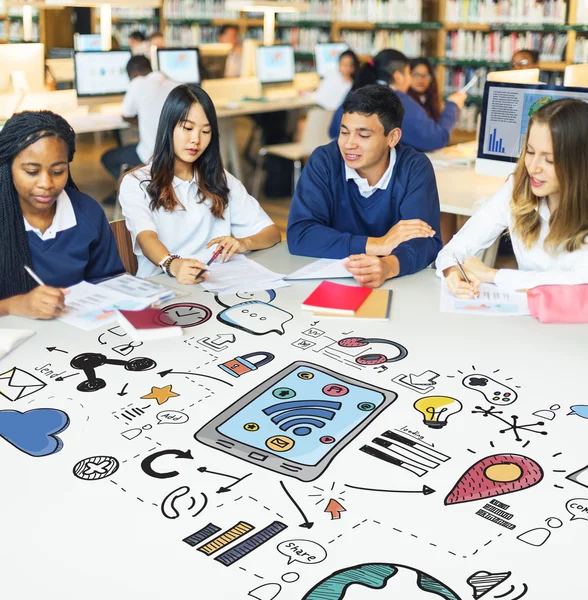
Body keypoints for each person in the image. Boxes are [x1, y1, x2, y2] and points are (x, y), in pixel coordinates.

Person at [118, 85, 281, 281]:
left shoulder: (220, 178)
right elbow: (146, 237)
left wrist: (243, 243)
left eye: (205, 131)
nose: (196, 139)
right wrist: (174, 265)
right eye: (187, 128)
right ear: (168, 127)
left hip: (219, 284)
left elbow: (271, 233)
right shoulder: (136, 183)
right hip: (164, 288)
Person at [287, 85, 442, 288]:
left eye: (363, 135)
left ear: (392, 137)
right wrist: (379, 244)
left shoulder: (414, 167)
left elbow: (426, 241)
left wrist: (388, 266)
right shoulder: (324, 160)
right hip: (330, 281)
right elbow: (300, 234)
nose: (349, 144)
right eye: (344, 132)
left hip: (399, 284)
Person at [437, 98, 588, 297]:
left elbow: (577, 282)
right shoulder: (517, 189)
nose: (533, 167)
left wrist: (492, 275)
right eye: (530, 152)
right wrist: (452, 271)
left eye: (549, 160)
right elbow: (458, 246)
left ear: (579, 164)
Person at [0, 111, 124, 319]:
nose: (46, 184)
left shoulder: (87, 213)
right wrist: (17, 305)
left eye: (58, 171)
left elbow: (110, 281)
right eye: (31, 171)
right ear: (7, 167)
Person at [329, 50, 466, 152]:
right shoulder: (396, 101)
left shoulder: (356, 92)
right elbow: (436, 138)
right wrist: (452, 105)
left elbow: (333, 131)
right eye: (408, 73)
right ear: (398, 76)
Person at [101, 56, 180, 183]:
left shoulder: (138, 83)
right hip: (177, 156)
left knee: (107, 158)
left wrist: (142, 121)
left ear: (133, 74)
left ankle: (140, 188)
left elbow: (126, 114)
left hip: (151, 155)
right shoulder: (177, 85)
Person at [408, 57, 441, 122]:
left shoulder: (431, 99)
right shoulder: (404, 101)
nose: (421, 79)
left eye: (425, 75)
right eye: (416, 75)